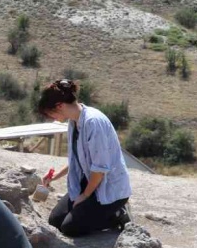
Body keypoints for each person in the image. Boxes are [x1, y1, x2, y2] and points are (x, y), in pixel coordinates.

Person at [38, 79, 132, 237]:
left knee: (70, 228)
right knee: (55, 221)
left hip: (108, 188)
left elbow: (100, 169)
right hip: (89, 182)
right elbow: (77, 159)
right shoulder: (73, 122)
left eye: (50, 113)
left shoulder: (93, 122)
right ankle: (93, 211)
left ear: (59, 105)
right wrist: (54, 177)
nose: (52, 118)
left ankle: (117, 214)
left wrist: (84, 196)